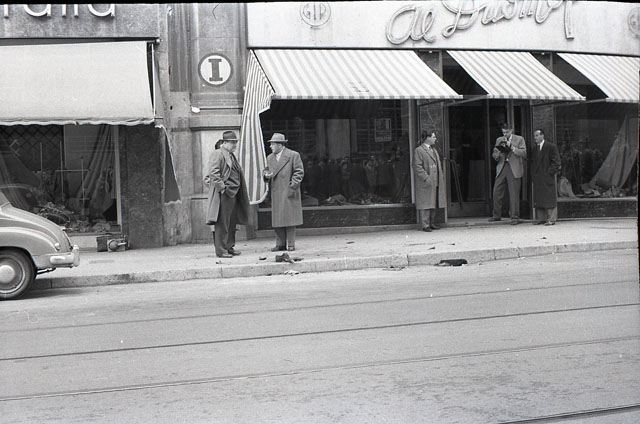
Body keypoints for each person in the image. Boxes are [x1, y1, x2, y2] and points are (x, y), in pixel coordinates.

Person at [204, 130, 251, 258]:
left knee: (231, 223)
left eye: (235, 142)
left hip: (233, 193)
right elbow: (213, 174)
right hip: (224, 194)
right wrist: (223, 188)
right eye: (232, 142)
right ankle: (221, 250)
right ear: (224, 143)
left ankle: (229, 247)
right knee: (222, 223)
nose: (234, 145)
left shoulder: (231, 155)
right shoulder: (217, 154)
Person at [262, 132, 304, 251]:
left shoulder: (293, 155)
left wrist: (292, 187)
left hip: (288, 190)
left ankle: (290, 244)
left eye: (273, 144)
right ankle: (280, 244)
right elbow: (266, 170)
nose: (270, 146)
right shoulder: (270, 157)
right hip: (276, 192)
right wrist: (266, 175)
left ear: (280, 145)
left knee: (290, 219)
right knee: (278, 219)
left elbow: (299, 172)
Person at [489, 122, 527, 225]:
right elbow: (494, 155)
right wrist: (497, 154)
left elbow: (524, 153)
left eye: (507, 132)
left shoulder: (519, 139)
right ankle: (496, 215)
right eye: (503, 132)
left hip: (514, 168)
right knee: (496, 191)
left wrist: (513, 148)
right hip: (502, 167)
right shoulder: (499, 140)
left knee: (514, 193)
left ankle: (514, 216)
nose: (505, 134)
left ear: (511, 130)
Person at [413, 130, 445, 232]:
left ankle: (431, 223)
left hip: (435, 180)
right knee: (425, 203)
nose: (435, 139)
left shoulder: (433, 150)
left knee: (433, 202)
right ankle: (425, 225)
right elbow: (417, 167)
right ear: (427, 138)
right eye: (433, 137)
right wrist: (426, 178)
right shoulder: (419, 150)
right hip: (426, 182)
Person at [532, 129, 561, 226]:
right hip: (538, 177)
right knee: (539, 197)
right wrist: (534, 175)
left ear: (542, 136)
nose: (535, 138)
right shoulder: (535, 149)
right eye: (534, 136)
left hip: (547, 176)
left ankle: (551, 219)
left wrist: (549, 173)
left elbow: (556, 162)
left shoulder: (551, 147)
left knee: (549, 197)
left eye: (537, 135)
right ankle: (541, 218)